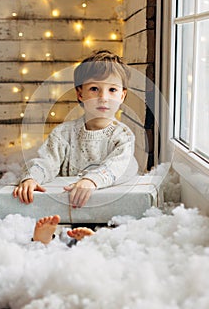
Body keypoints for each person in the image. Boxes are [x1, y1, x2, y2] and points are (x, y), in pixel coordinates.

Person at [13, 50, 138, 209]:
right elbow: (46, 161)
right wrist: (31, 178)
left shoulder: (123, 136)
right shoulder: (63, 134)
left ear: (122, 96)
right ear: (80, 94)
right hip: (67, 204)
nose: (103, 97)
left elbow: (116, 166)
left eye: (112, 90)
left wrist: (91, 180)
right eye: (94, 88)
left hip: (107, 205)